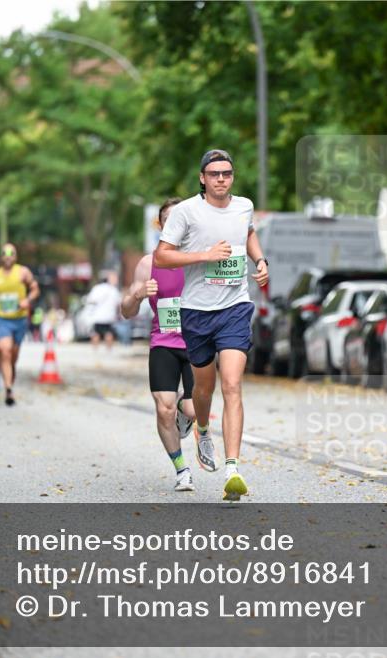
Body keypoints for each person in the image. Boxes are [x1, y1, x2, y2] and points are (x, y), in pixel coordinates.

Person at [154, 149, 269, 501]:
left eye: (228, 173)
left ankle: (233, 468)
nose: (222, 179)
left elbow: (248, 233)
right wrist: (204, 255)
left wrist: (260, 259)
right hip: (196, 310)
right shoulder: (187, 211)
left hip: (235, 306)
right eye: (215, 174)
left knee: (232, 384)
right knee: (203, 390)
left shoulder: (244, 206)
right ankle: (202, 428)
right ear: (203, 178)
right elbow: (162, 256)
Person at [123, 197, 198, 492]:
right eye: (169, 220)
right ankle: (181, 469)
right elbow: (126, 311)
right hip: (164, 342)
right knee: (163, 409)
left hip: (195, 343)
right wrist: (139, 294)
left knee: (192, 410)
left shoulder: (198, 258)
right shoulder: (147, 263)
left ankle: (185, 412)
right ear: (161, 225)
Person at [0, 243, 40, 406]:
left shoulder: (23, 272)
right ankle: (8, 389)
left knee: (13, 356)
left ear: (15, 257)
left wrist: (27, 300)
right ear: (1, 257)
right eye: (5, 253)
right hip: (2, 319)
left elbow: (35, 289)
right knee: (4, 351)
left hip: (20, 320)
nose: (8, 256)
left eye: (11, 253)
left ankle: (8, 378)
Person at [86, 271, 122, 351]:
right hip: (109, 316)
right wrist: (118, 314)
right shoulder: (113, 290)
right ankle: (109, 350)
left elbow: (90, 300)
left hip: (97, 316)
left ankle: (95, 350)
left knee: (96, 333)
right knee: (109, 333)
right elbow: (118, 304)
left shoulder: (96, 288)